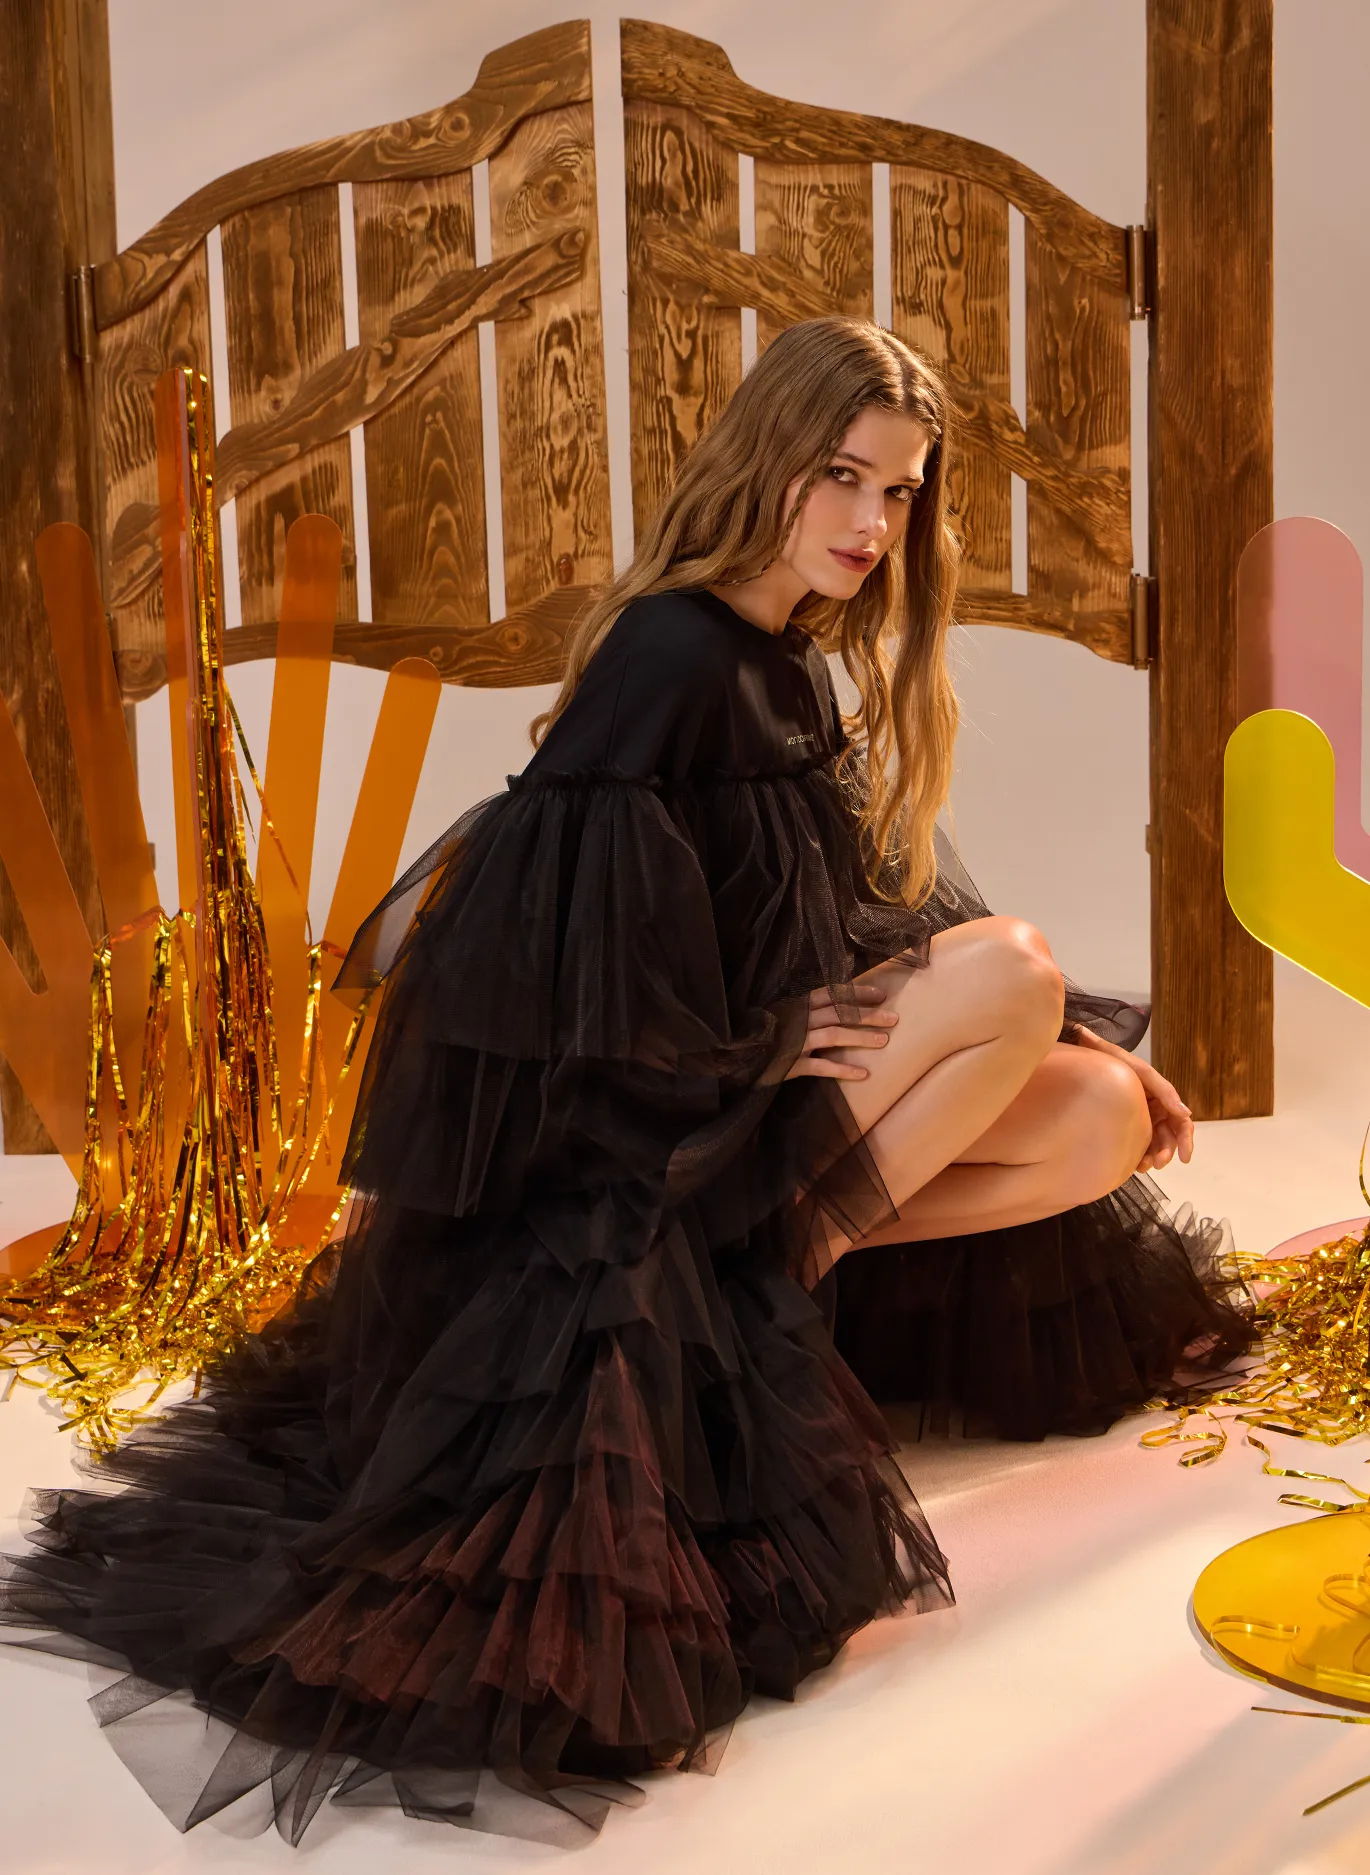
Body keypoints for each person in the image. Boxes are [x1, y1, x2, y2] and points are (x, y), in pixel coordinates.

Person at [0, 318, 1248, 1845]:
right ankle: (746, 1276)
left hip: (748, 1134)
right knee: (1018, 968)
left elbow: (855, 915)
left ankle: (765, 1282)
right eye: (841, 476)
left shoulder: (789, 662)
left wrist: (1078, 1046)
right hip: (653, 1134)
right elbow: (533, 955)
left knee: (1098, 1117)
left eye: (898, 491)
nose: (869, 520)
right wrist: (757, 1045)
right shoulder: (671, 651)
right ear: (769, 461)